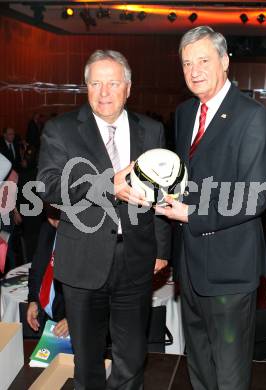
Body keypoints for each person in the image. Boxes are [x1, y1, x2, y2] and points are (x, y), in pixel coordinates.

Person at [37, 50, 171, 390]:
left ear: (128, 87)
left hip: (136, 257)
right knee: (88, 362)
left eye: (113, 83)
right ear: (86, 86)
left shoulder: (151, 130)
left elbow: (162, 193)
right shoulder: (61, 130)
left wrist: (162, 247)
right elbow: (50, 188)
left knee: (131, 358)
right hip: (82, 259)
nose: (104, 92)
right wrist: (106, 184)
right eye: (96, 83)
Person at [155, 26, 266, 390]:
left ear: (225, 61)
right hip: (189, 267)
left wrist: (190, 214)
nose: (194, 70)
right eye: (187, 63)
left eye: (203, 60)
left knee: (228, 373)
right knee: (200, 367)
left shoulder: (253, 116)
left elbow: (254, 197)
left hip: (229, 271)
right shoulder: (184, 113)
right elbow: (185, 178)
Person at [27, 216, 69, 338]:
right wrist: (33, 300)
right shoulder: (47, 228)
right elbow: (36, 268)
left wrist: (74, 318)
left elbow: (95, 288)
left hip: (72, 323)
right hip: (46, 317)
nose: (56, 216)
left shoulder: (86, 236)